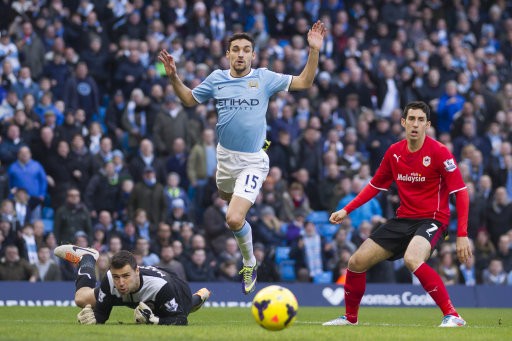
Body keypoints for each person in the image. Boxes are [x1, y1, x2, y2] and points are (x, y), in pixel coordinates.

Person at [158, 20, 326, 294]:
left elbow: (305, 81)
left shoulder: (264, 78)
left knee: (234, 218)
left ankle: (249, 261)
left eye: (245, 50)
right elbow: (189, 100)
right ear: (227, 54)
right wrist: (173, 77)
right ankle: (243, 219)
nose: (240, 54)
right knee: (227, 201)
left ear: (252, 55)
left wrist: (314, 50)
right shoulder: (216, 78)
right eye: (235, 49)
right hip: (224, 159)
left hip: (252, 161)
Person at [322, 101, 472, 328]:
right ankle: (350, 319)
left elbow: (460, 193)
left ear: (427, 125)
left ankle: (453, 315)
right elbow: (374, 186)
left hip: (433, 219)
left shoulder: (440, 152)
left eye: (421, 120)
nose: (415, 124)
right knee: (356, 261)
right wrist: (346, 209)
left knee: (413, 259)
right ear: (403, 122)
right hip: (403, 219)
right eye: (411, 119)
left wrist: (462, 234)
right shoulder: (394, 152)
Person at [53, 245, 210, 325]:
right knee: (81, 299)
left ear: (136, 271)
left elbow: (181, 320)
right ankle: (87, 257)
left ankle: (199, 296)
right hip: (131, 296)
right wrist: (92, 320)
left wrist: (154, 320)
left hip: (175, 287)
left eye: (126, 276)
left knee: (184, 308)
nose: (120, 283)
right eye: (116, 277)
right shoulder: (110, 279)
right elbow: (102, 315)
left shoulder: (160, 287)